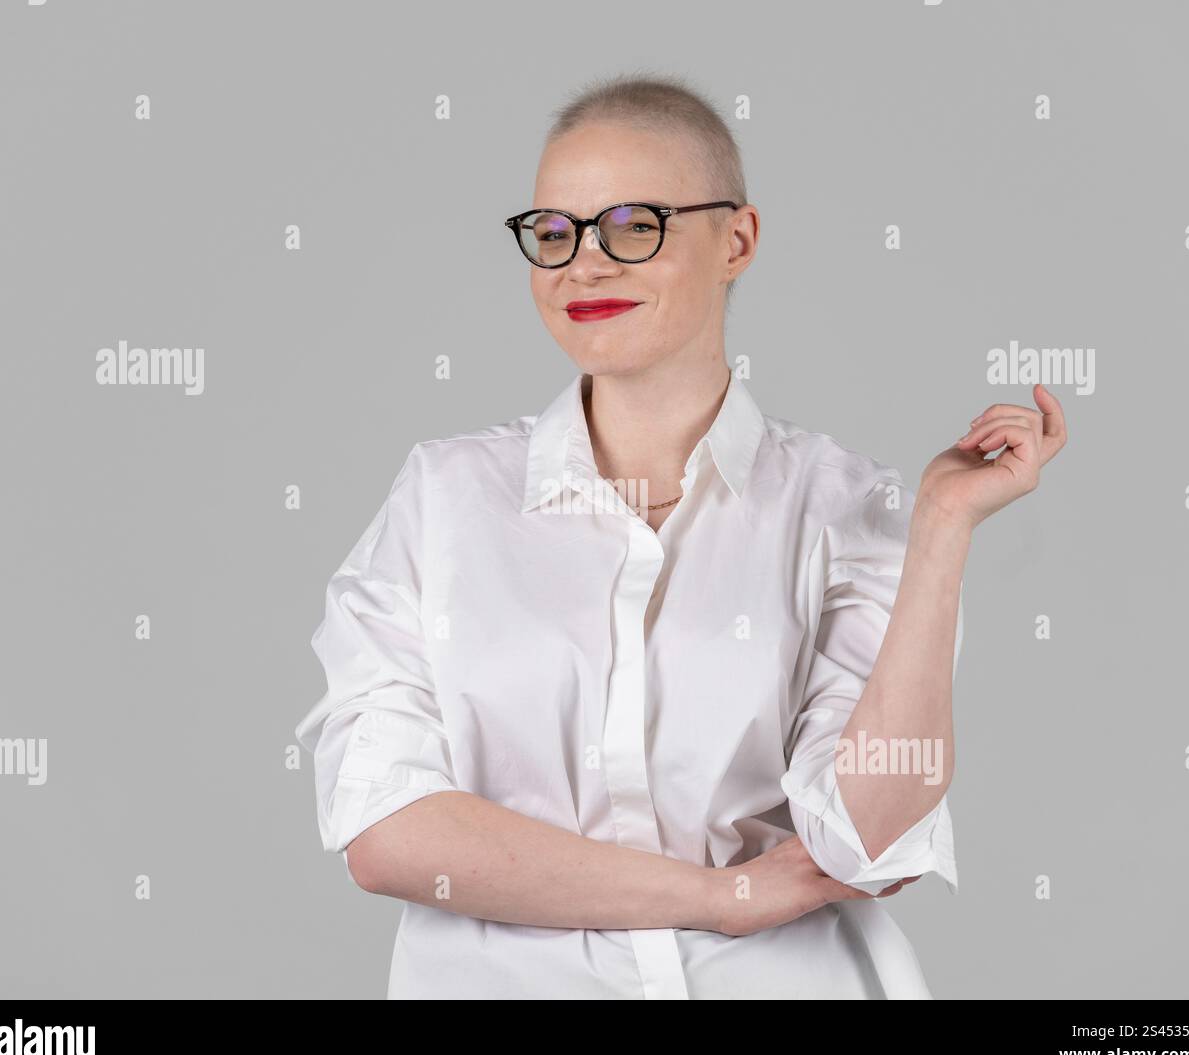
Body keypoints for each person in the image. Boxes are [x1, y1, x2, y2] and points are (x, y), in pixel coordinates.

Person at [294, 73, 1067, 999]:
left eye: (632, 224)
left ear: (736, 238)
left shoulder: (843, 506)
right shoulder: (442, 500)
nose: (583, 264)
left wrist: (942, 530)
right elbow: (388, 831)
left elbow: (861, 837)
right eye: (552, 232)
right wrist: (721, 894)